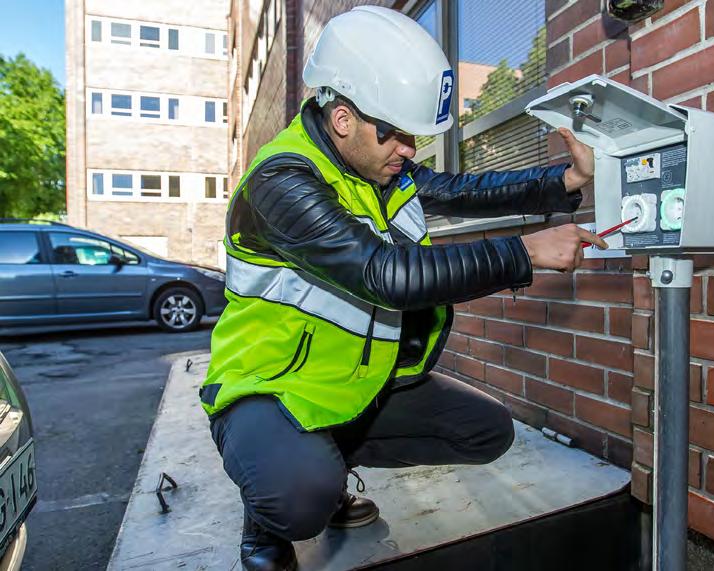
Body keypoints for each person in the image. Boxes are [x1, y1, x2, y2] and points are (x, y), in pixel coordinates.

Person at [200, 6, 607, 570]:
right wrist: (524, 253)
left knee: (485, 432)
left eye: (411, 135)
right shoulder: (281, 181)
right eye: (393, 133)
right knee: (299, 500)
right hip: (265, 387)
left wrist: (563, 181)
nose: (408, 150)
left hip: (350, 384)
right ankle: (266, 515)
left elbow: (464, 190)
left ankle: (323, 457)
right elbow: (383, 275)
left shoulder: (377, 169)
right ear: (343, 118)